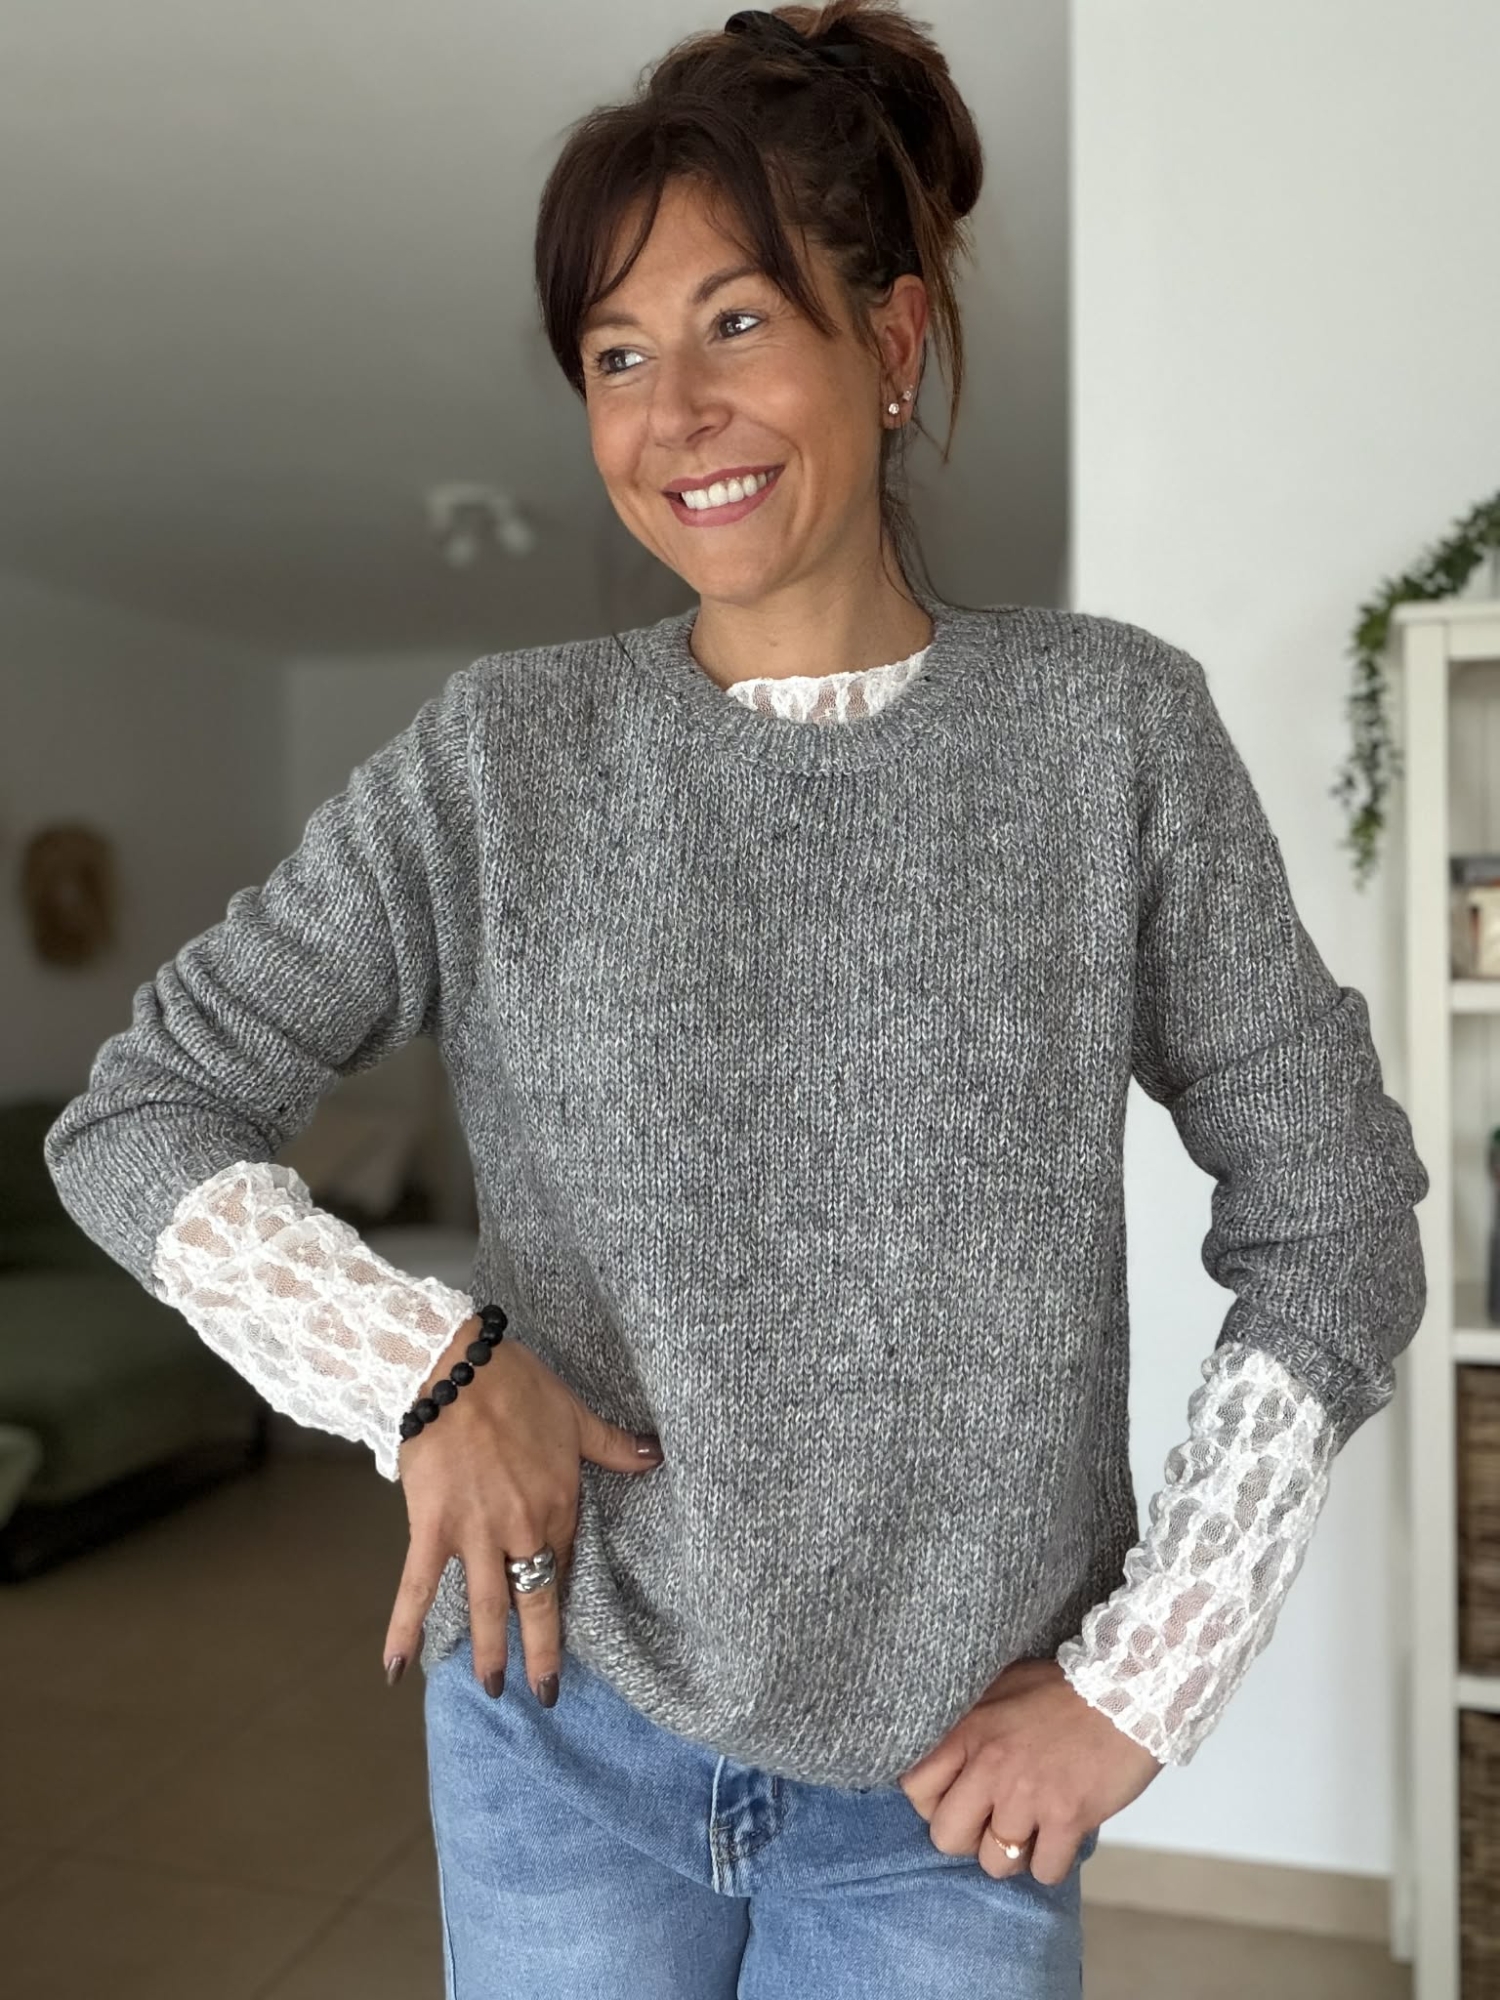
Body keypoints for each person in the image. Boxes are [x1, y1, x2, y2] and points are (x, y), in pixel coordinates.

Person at [43, 4, 1430, 1995]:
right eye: (616, 355)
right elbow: (141, 1112)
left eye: (737, 322)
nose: (672, 409)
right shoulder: (498, 760)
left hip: (949, 1790)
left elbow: (1339, 1213)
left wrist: (1144, 1679)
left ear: (892, 339)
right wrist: (428, 1366)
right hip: (557, 1723)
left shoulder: (1107, 735)